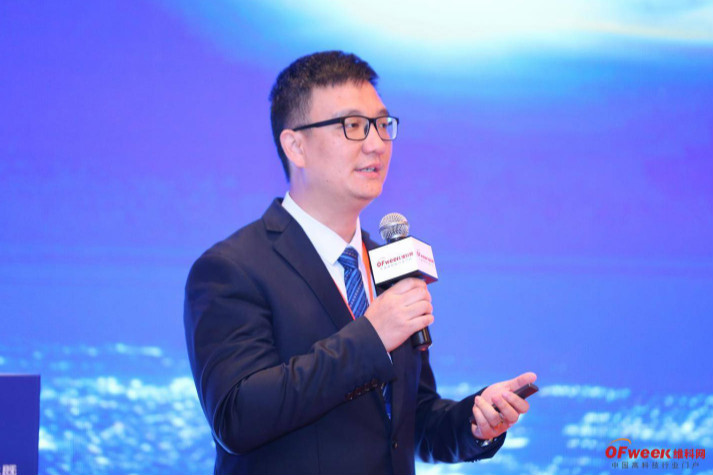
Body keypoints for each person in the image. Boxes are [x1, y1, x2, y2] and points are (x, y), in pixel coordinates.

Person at [184, 50, 537, 475]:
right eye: (352, 126)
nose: (376, 143)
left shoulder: (389, 262)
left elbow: (411, 422)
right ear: (296, 146)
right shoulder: (232, 268)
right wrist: (371, 336)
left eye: (382, 125)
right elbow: (237, 418)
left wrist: (474, 424)